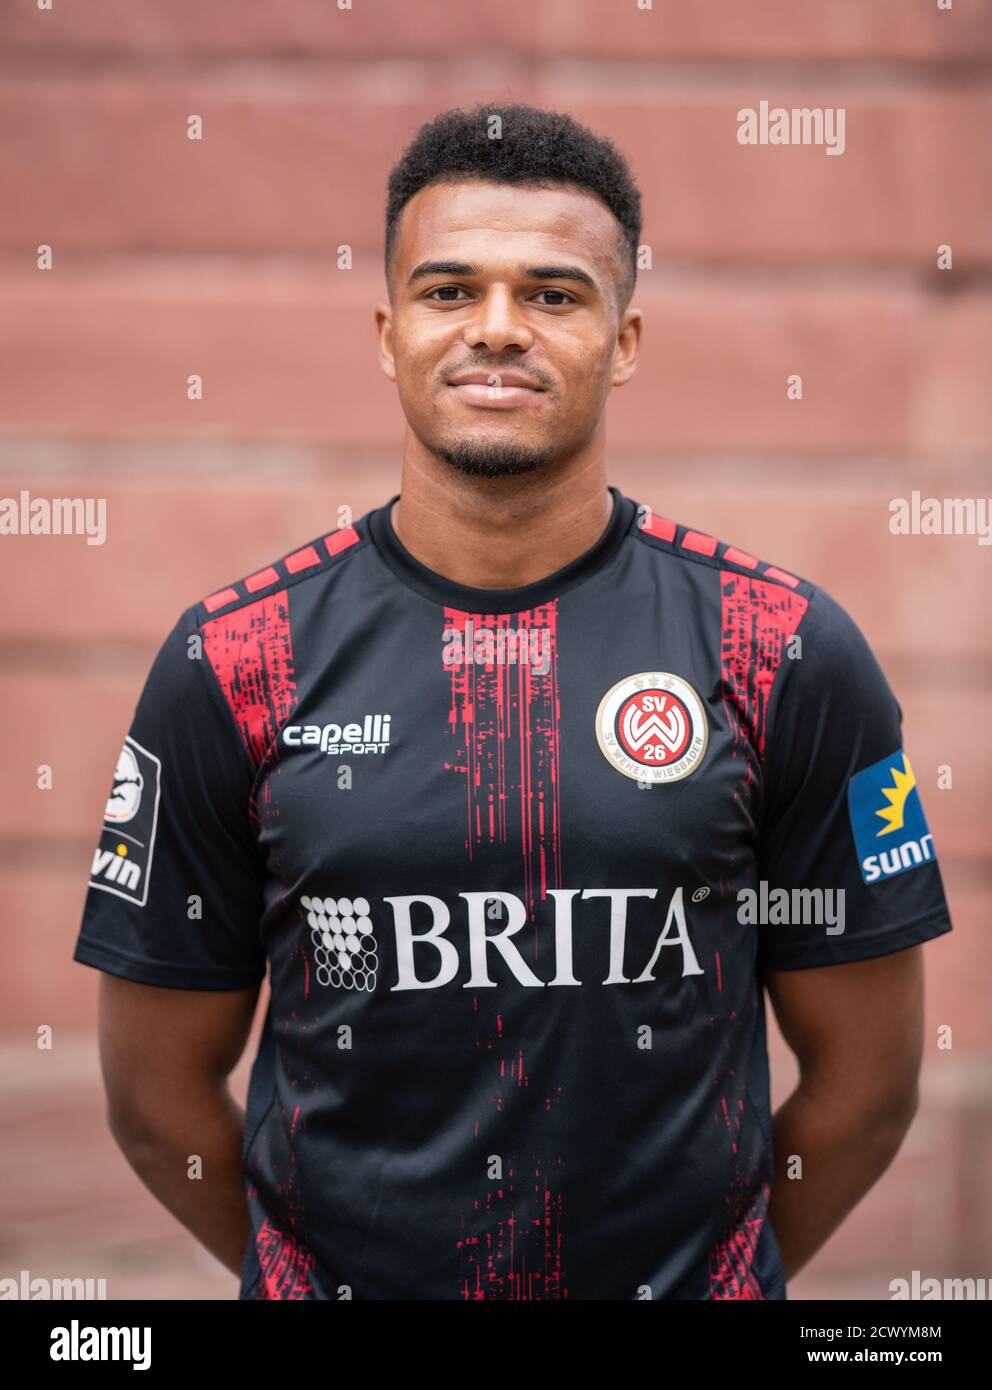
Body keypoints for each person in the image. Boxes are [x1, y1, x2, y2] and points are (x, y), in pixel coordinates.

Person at [73, 103, 953, 1301]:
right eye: (448, 292)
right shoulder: (234, 659)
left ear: (624, 336)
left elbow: (866, 1085)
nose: (496, 330)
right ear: (387, 334)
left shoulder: (780, 649)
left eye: (551, 294)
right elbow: (153, 1097)